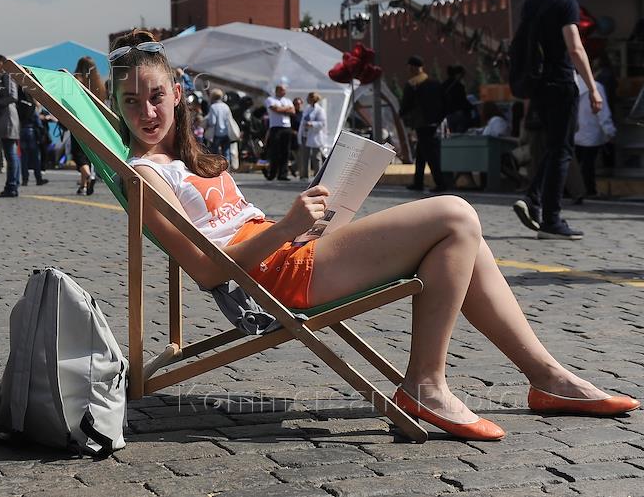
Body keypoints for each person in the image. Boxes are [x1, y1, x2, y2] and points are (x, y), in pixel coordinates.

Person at [108, 28, 637, 443]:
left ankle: (545, 376)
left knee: (463, 241)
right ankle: (428, 386)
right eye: (131, 102)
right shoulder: (148, 175)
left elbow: (235, 226)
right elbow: (205, 269)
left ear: (178, 94)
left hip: (295, 249)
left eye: (156, 96)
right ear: (117, 104)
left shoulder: (185, 159)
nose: (147, 112)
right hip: (278, 279)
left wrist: (304, 220)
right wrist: (290, 226)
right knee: (455, 215)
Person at [512, 0, 601, 241]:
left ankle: (533, 199)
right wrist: (593, 87)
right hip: (561, 82)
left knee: (552, 148)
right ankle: (551, 219)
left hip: (537, 85)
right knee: (562, 150)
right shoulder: (565, 4)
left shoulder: (532, 3)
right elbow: (574, 48)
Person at [400, 56, 448, 193]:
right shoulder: (435, 83)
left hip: (421, 123)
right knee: (421, 154)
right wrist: (439, 119)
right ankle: (418, 181)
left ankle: (440, 183)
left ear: (413, 68)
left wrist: (403, 115)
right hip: (434, 123)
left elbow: (406, 105)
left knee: (430, 155)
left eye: (409, 67)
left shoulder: (413, 84)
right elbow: (445, 103)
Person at [573, 75, 615, 201]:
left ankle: (573, 189)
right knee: (588, 164)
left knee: (575, 163)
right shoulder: (596, 87)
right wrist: (610, 132)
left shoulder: (572, 86)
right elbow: (603, 112)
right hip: (592, 132)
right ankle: (589, 189)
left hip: (576, 132)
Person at [72, 56, 107, 195]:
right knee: (88, 154)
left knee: (78, 154)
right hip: (93, 122)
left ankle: (87, 175)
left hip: (78, 120)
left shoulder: (76, 80)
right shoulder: (99, 83)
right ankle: (83, 186)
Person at [0, 55, 20, 198]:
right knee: (11, 154)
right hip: (4, 119)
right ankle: (13, 184)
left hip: (8, 119)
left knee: (10, 155)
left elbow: (13, 96)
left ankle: (11, 186)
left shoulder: (7, 76)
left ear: (0, 64)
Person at [17, 85, 49, 188]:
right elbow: (36, 119)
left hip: (22, 131)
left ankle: (25, 179)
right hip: (31, 132)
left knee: (24, 157)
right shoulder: (32, 106)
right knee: (35, 157)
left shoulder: (20, 104)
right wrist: (42, 131)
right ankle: (38, 178)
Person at [264, 83, 295, 181]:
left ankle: (283, 174)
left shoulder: (287, 100)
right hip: (276, 127)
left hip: (286, 127)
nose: (284, 92)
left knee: (285, 152)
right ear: (277, 90)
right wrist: (286, 109)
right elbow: (275, 109)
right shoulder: (270, 99)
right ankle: (272, 173)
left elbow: (293, 111)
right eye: (282, 90)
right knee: (275, 151)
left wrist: (283, 109)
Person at [297, 92, 328, 179]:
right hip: (305, 135)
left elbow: (322, 123)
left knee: (316, 156)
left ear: (313, 99)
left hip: (315, 136)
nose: (307, 99)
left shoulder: (320, 110)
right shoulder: (307, 108)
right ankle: (304, 175)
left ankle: (318, 175)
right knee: (304, 156)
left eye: (309, 98)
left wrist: (312, 124)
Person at [203, 88, 234, 166]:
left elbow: (212, 122)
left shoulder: (213, 107)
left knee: (215, 153)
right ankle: (227, 168)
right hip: (226, 133)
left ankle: (216, 168)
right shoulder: (226, 106)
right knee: (226, 152)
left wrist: (206, 124)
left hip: (217, 134)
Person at [442, 65, 472, 133]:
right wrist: (471, 107)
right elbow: (462, 101)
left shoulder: (443, 85)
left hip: (448, 115)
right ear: (458, 74)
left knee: (451, 136)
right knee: (460, 135)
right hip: (459, 114)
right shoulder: (459, 86)